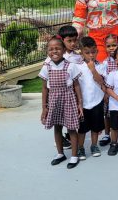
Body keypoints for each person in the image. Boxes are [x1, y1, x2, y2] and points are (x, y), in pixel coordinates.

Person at [39, 36, 83, 169]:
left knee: (71, 128)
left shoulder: (71, 66)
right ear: (47, 51)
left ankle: (74, 156)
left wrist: (79, 103)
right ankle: (60, 153)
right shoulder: (47, 67)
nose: (54, 51)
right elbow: (44, 88)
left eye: (58, 48)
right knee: (57, 127)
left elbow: (76, 86)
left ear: (64, 50)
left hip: (68, 99)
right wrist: (44, 107)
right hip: (53, 100)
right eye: (51, 49)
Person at [45, 25, 82, 149]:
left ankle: (72, 140)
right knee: (58, 120)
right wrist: (45, 105)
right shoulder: (55, 57)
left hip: (72, 93)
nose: (73, 43)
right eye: (69, 41)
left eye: (75, 40)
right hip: (57, 95)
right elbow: (46, 82)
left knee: (72, 119)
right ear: (62, 40)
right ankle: (60, 141)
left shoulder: (78, 57)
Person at [75, 37, 107, 160]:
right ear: (81, 52)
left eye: (93, 52)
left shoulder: (101, 66)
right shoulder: (77, 67)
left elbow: (101, 82)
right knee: (82, 128)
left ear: (97, 51)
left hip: (97, 102)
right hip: (83, 104)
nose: (91, 55)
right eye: (87, 52)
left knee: (96, 127)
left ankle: (94, 145)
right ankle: (81, 148)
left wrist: (93, 69)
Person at [99, 34, 118, 147]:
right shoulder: (105, 63)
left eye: (114, 45)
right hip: (109, 93)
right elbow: (103, 80)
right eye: (109, 46)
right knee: (107, 115)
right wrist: (106, 93)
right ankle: (107, 134)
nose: (112, 48)